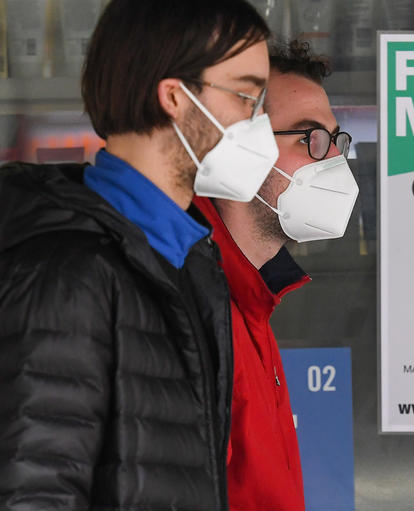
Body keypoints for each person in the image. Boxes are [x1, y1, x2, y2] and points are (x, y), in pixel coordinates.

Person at [0, 1, 277, 509]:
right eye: (246, 96)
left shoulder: (185, 260)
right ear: (175, 96)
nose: (259, 122)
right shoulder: (67, 274)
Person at [193, 40, 358, 511]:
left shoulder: (251, 300)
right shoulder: (194, 308)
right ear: (235, 152)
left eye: (336, 141)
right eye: (311, 139)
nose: (333, 163)